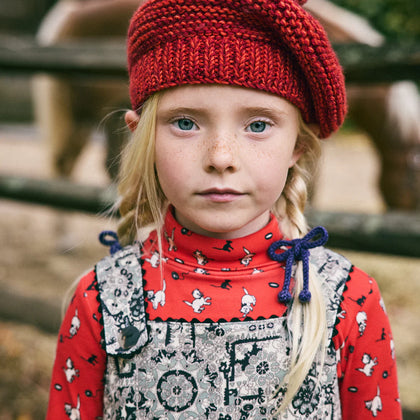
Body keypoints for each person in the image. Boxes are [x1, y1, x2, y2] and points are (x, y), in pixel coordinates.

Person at [46, 0, 402, 418]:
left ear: (298, 146)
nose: (220, 157)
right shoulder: (99, 301)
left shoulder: (349, 303)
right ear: (140, 136)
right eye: (185, 122)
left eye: (257, 125)